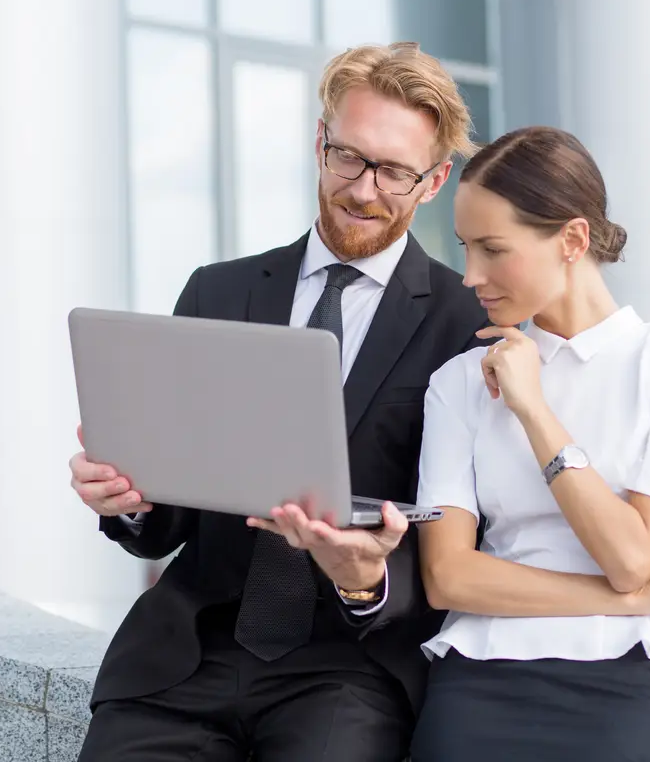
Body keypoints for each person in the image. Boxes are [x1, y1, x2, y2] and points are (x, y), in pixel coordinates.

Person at [69, 42, 489, 762]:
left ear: (434, 181)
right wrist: (130, 497)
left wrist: (369, 585)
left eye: (393, 172)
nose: (362, 189)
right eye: (348, 157)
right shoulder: (218, 292)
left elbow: (471, 534)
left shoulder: (467, 324)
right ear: (318, 143)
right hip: (187, 656)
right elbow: (169, 515)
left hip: (349, 670)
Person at [408, 125, 650, 761]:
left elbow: (629, 555)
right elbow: (448, 577)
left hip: (631, 673)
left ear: (573, 239)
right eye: (464, 248)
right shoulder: (458, 381)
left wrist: (534, 410)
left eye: (492, 249)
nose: (470, 275)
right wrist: (637, 600)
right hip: (483, 671)